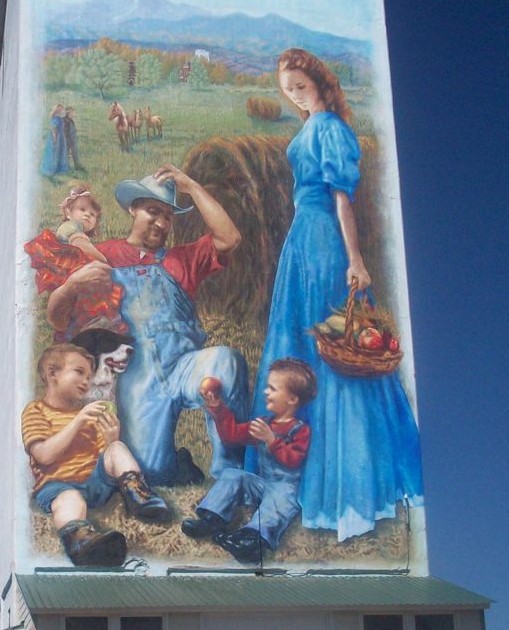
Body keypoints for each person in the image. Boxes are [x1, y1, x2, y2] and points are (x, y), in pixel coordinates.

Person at [252, 47, 423, 540]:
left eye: (301, 88)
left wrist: (354, 258)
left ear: (321, 85)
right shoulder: (308, 128)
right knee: (303, 343)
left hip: (326, 239)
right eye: (288, 91)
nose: (295, 97)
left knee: (334, 354)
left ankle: (344, 481)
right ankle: (294, 473)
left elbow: (342, 199)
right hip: (302, 241)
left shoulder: (328, 128)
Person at [46, 165, 249, 486]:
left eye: (168, 216)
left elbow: (230, 237)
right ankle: (177, 464)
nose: (162, 222)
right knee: (151, 471)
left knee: (226, 362)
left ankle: (232, 474)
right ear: (133, 209)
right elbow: (57, 318)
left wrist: (192, 185)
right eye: (153, 211)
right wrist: (71, 285)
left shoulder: (183, 258)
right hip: (137, 375)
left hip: (185, 364)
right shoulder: (103, 254)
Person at [22, 344, 171, 566]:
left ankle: (138, 495)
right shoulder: (36, 410)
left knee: (117, 449)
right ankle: (80, 542)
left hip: (94, 481)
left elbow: (104, 455)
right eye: (79, 372)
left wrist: (112, 438)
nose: (86, 381)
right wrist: (78, 421)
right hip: (57, 485)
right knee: (69, 501)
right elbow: (43, 455)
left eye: (89, 376)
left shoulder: (87, 414)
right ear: (52, 374)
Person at [184, 358, 317, 563]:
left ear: (291, 399)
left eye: (272, 389)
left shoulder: (301, 430)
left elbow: (292, 460)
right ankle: (212, 519)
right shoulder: (263, 423)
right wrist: (218, 408)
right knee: (232, 475)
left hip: (286, 489)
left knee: (277, 502)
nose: (266, 392)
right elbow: (232, 437)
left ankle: (251, 539)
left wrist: (271, 440)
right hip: (264, 484)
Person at [24, 184, 124, 340]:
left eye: (93, 214)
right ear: (68, 212)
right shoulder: (70, 229)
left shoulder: (78, 232)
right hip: (70, 269)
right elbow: (87, 250)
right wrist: (103, 262)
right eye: (82, 210)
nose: (88, 215)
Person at [39, 103, 68, 177]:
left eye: (62, 109)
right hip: (56, 137)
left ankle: (59, 167)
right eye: (61, 109)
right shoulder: (55, 119)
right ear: (57, 110)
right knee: (54, 153)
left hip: (61, 137)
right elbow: (54, 130)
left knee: (61, 151)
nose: (62, 111)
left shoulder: (60, 118)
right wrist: (55, 140)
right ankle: (51, 169)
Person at [62, 105, 82, 171]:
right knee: (66, 153)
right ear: (69, 113)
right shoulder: (65, 120)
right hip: (68, 140)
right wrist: (68, 141)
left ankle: (77, 167)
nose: (74, 114)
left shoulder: (71, 120)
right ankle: (65, 167)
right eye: (72, 112)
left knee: (75, 153)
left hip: (73, 140)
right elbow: (65, 132)